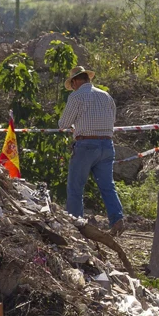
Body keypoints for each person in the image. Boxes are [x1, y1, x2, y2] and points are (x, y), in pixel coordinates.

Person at [59, 65, 125, 234]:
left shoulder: (76, 97)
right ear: (88, 78)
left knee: (75, 187)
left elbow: (63, 124)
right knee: (107, 186)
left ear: (75, 81)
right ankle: (117, 219)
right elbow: (112, 119)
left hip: (86, 145)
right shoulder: (106, 96)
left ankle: (76, 224)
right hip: (107, 144)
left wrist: (76, 126)